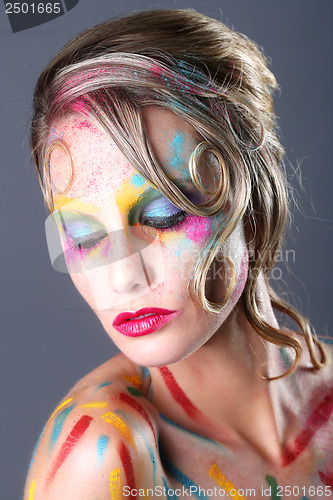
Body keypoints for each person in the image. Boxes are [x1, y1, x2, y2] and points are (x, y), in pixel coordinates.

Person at [24, 9, 332, 500]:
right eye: (83, 238)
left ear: (253, 197)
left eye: (163, 216)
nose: (121, 276)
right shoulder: (103, 457)